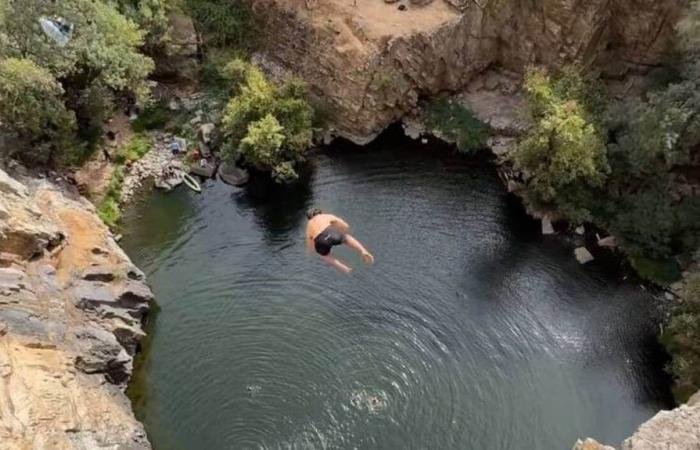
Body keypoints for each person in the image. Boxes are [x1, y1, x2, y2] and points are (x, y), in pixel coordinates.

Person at [306, 208, 374, 274]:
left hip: (320, 240)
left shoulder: (309, 225)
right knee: (347, 238)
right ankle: (363, 250)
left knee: (325, 256)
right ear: (320, 213)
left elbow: (310, 242)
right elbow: (343, 224)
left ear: (310, 218)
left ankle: (344, 268)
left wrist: (313, 251)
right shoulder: (326, 216)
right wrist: (345, 229)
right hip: (332, 234)